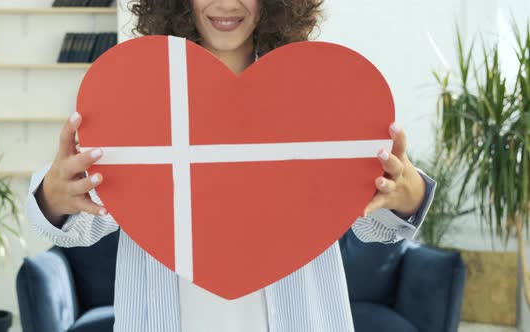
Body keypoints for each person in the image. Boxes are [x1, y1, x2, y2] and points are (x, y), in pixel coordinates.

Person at [27, 1, 437, 331]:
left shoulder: (316, 94)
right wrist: (55, 196)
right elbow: (88, 220)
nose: (226, 3)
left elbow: (371, 222)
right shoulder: (137, 96)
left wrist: (408, 192)